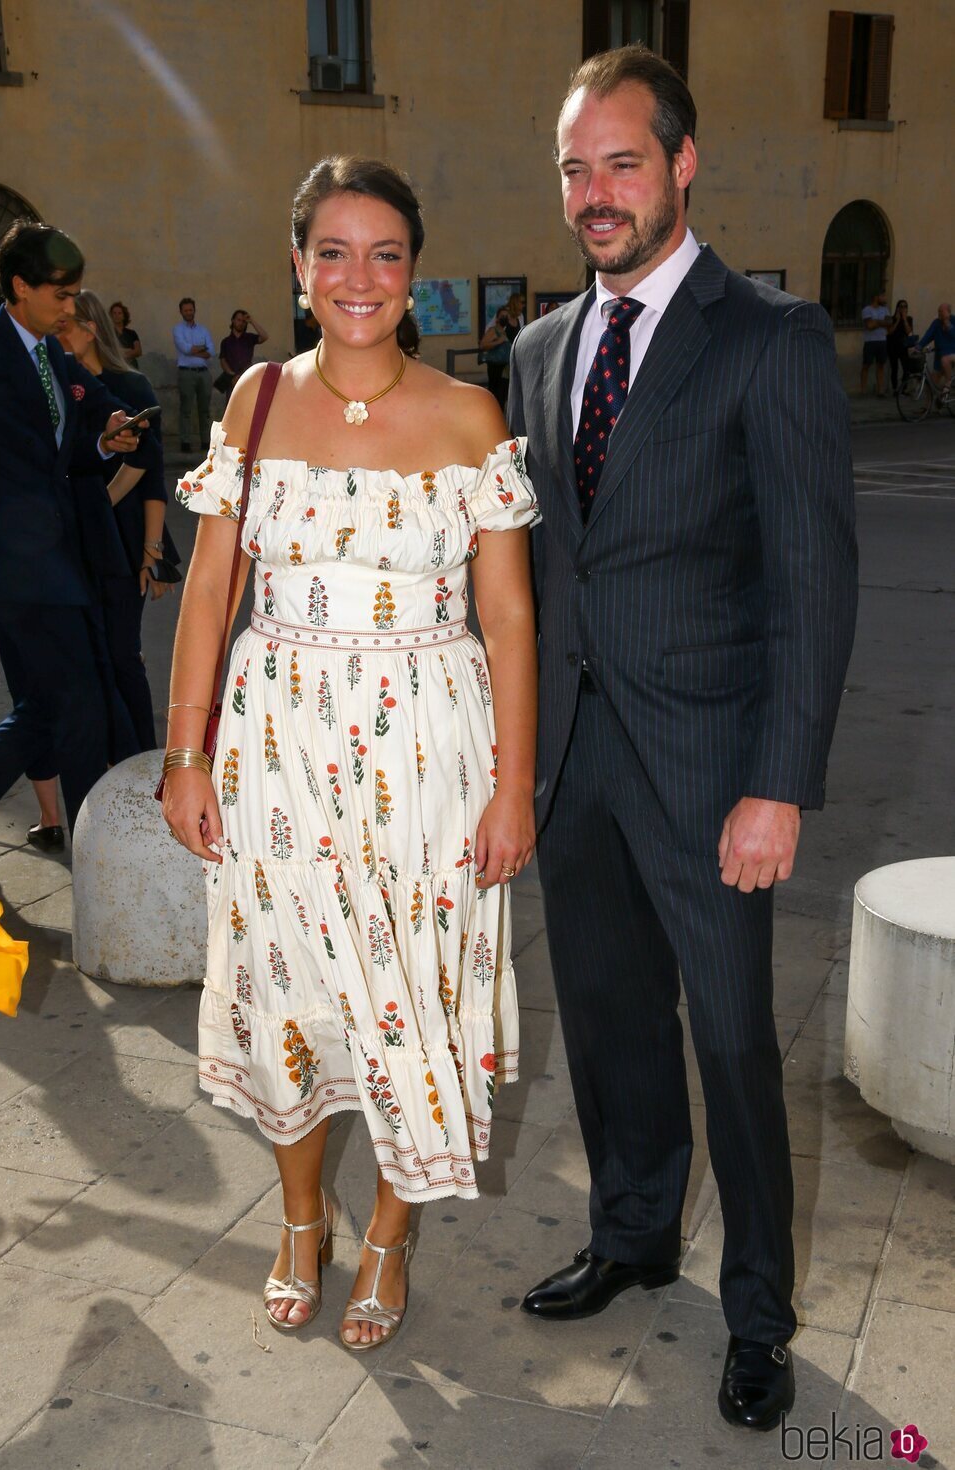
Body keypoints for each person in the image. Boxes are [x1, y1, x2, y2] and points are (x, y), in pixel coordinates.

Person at [508, 45, 857, 1433]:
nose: (598, 194)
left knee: (729, 1042)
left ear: (683, 163)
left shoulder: (770, 338)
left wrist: (778, 783)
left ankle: (759, 1310)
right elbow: (539, 571)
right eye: (577, 169)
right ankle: (636, 1230)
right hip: (576, 763)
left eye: (624, 163)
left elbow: (816, 585)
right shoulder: (539, 349)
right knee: (605, 1024)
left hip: (716, 773)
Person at [163, 155, 538, 1352]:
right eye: (333, 251)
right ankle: (296, 1223)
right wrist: (184, 755)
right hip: (275, 748)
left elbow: (511, 618)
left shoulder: (468, 414)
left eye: (383, 252)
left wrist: (512, 786)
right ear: (298, 267)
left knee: (406, 997)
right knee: (286, 989)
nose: (358, 276)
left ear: (412, 270)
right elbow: (211, 586)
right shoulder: (255, 400)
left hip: (429, 756)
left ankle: (387, 1231)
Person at [0, 221, 144, 838]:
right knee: (67, 704)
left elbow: (76, 438)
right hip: (10, 566)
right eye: (60, 295)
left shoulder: (52, 354)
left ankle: (93, 846)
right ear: (20, 286)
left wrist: (108, 436)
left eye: (76, 295)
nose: (71, 308)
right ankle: (100, 842)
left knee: (63, 708)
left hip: (60, 558)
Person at [59, 289, 178, 752]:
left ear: (91, 330)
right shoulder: (61, 389)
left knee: (123, 654)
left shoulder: (130, 387)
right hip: (71, 539)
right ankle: (110, 753)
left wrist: (153, 551)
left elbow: (151, 474)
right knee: (91, 656)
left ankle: (142, 761)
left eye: (67, 325)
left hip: (122, 538)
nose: (57, 333)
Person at [172, 296, 215, 452]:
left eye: (191, 310)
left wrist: (194, 350)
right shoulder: (177, 329)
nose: (189, 312)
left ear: (194, 310)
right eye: (186, 310)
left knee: (204, 410)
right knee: (186, 409)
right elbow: (185, 349)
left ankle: (206, 442)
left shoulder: (203, 330)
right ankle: (185, 442)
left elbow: (212, 352)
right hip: (186, 374)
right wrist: (201, 349)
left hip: (203, 373)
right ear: (181, 312)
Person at [218, 309, 269, 403]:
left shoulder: (249, 338)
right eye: (238, 320)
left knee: (248, 406)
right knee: (231, 408)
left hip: (247, 377)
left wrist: (252, 321)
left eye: (243, 321)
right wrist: (232, 375)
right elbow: (223, 360)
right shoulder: (226, 342)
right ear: (233, 320)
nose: (241, 323)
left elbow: (264, 336)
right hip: (232, 380)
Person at [478, 306, 512, 407]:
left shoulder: (504, 331)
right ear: (497, 318)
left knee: (502, 394)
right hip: (495, 366)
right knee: (496, 394)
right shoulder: (493, 331)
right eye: (502, 316)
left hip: (504, 367)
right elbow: (483, 345)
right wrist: (498, 341)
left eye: (506, 316)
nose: (504, 318)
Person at [918, 302, 955, 391]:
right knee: (931, 384)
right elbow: (928, 335)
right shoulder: (936, 323)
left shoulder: (953, 320)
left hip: (952, 354)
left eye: (942, 311)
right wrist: (918, 346)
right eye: (939, 311)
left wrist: (947, 323)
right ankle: (929, 404)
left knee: (945, 359)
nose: (939, 313)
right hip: (939, 356)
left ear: (948, 312)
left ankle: (949, 382)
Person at [860, 289, 889, 396]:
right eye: (883, 296)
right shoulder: (867, 310)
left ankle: (880, 390)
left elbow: (889, 322)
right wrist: (882, 322)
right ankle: (863, 389)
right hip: (870, 341)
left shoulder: (885, 309)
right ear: (876, 297)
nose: (885, 298)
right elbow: (869, 326)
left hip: (882, 341)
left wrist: (876, 321)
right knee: (866, 365)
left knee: (881, 365)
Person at [886, 299, 915, 392]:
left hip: (903, 347)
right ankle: (895, 389)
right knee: (894, 369)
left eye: (905, 306)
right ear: (897, 308)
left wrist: (904, 319)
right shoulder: (892, 318)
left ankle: (903, 389)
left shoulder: (909, 319)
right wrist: (898, 320)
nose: (903, 308)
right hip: (892, 346)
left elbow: (909, 331)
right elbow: (889, 332)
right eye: (901, 306)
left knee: (906, 369)